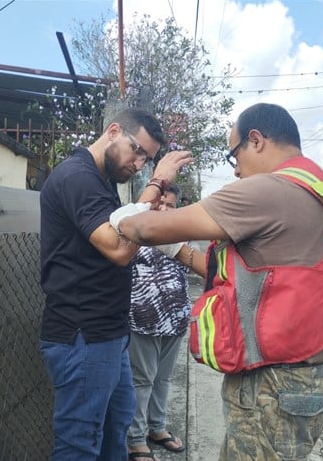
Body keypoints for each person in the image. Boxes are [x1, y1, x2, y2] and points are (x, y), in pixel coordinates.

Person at [113, 103, 323, 460]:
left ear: (255, 141)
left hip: (272, 386)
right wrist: (178, 251)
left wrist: (156, 183)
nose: (236, 170)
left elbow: (141, 226)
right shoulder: (319, 185)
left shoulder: (269, 190)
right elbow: (255, 274)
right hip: (309, 378)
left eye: (233, 155)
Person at [39, 107, 192, 460]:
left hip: (109, 334)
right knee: (80, 441)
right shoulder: (76, 177)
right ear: (112, 131)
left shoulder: (102, 181)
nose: (139, 164)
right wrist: (157, 184)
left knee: (117, 425)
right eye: (137, 150)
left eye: (148, 160)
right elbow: (119, 248)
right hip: (83, 334)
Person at [127, 184, 206, 460]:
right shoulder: (134, 235)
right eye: (159, 204)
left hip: (176, 319)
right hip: (142, 320)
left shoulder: (185, 237)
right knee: (142, 380)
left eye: (170, 206)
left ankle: (157, 428)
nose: (164, 210)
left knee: (163, 378)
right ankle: (136, 439)